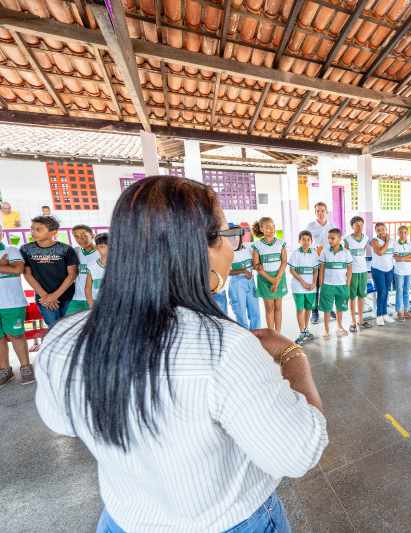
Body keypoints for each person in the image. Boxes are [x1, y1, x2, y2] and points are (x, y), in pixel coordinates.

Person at [34, 176, 327, 533]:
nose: (232, 249)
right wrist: (292, 356)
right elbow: (299, 452)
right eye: (225, 236)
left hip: (124, 520)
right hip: (229, 521)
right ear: (198, 247)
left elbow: (59, 420)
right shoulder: (223, 347)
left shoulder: (64, 339)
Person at [21, 216, 78, 327]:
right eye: (32, 228)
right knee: (53, 328)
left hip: (68, 296)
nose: (33, 232)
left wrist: (54, 296)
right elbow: (27, 274)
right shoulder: (26, 249)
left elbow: (72, 275)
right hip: (43, 298)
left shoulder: (66, 249)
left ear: (53, 232)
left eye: (39, 229)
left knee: (70, 328)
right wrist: (45, 296)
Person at [0, 224, 34, 386]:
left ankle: (26, 367)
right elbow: (10, 269)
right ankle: (5, 370)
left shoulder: (11, 250)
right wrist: (4, 265)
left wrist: (8, 266)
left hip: (12, 303)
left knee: (16, 335)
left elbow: (18, 269)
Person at [252, 217, 287, 333]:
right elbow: (257, 266)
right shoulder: (257, 245)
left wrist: (276, 280)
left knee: (278, 307)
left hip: (279, 277)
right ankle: (272, 334)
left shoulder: (281, 243)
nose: (271, 229)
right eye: (267, 227)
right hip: (264, 280)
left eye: (273, 226)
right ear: (261, 229)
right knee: (269, 308)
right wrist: (271, 280)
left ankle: (278, 333)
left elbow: (284, 262)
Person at [305, 202, 338, 325]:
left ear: (326, 212)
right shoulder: (310, 226)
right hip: (315, 261)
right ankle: (315, 311)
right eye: (318, 211)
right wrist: (314, 250)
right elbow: (305, 243)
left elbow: (336, 242)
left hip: (329, 262)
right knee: (316, 287)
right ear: (315, 212)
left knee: (328, 287)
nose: (320, 213)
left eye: (322, 210)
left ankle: (328, 308)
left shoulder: (332, 226)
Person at [318, 228, 352, 338]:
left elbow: (350, 268)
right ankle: (326, 329)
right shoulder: (324, 251)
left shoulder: (346, 252)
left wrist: (348, 283)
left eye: (333, 238)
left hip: (342, 285)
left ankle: (339, 326)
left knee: (340, 308)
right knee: (327, 309)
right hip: (327, 285)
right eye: (329, 238)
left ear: (339, 239)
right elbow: (322, 268)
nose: (330, 240)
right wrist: (321, 284)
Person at [228, 224, 261, 330]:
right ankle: (246, 339)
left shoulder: (248, 247)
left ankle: (257, 336)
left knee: (255, 312)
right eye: (231, 236)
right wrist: (242, 271)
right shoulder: (228, 253)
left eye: (236, 235)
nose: (234, 239)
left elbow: (255, 263)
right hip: (237, 284)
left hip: (250, 282)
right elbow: (226, 272)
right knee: (241, 313)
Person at [288, 230, 319, 344]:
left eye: (308, 240)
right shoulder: (295, 253)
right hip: (298, 287)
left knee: (308, 309)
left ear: (311, 241)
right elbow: (291, 270)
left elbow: (316, 270)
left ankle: (306, 330)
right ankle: (301, 332)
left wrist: (314, 283)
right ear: (299, 241)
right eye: (303, 239)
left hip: (311, 287)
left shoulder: (314, 253)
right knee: (300, 309)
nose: (306, 242)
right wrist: (302, 282)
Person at [344, 216, 372, 332]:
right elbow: (345, 257)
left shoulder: (366, 238)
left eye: (361, 224)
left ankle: (361, 319)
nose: (359, 227)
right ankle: (353, 321)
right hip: (352, 272)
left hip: (363, 271)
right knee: (352, 297)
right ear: (352, 226)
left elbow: (363, 253)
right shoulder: (347, 239)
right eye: (357, 225)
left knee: (362, 296)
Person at [66, 225, 100, 316]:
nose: (80, 239)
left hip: (97, 298)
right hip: (77, 298)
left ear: (92, 236)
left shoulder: (102, 252)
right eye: (76, 236)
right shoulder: (75, 251)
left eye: (84, 235)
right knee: (69, 325)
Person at [370, 222, 395, 326]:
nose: (381, 232)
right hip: (378, 269)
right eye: (378, 230)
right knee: (382, 291)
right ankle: (379, 315)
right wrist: (387, 241)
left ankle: (384, 313)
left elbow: (393, 254)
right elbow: (380, 252)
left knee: (386, 292)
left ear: (386, 229)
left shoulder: (392, 241)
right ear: (376, 231)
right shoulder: (374, 241)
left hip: (389, 269)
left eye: (383, 229)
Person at [393, 225, 411, 321]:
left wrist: (402, 258)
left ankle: (406, 310)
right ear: (398, 233)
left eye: (405, 232)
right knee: (399, 290)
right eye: (401, 232)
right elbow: (396, 259)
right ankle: (399, 311)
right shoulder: (395, 244)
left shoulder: (410, 244)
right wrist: (406, 257)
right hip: (399, 272)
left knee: (406, 291)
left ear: (407, 234)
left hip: (408, 271)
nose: (403, 234)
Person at [85, 232, 109, 308]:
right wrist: (91, 304)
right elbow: (87, 288)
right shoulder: (92, 266)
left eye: (102, 246)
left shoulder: (119, 265)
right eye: (100, 246)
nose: (99, 249)